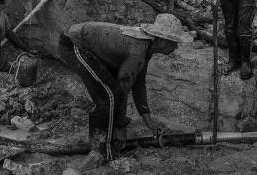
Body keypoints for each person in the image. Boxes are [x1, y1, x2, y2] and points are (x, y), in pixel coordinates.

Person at [58, 14, 192, 161]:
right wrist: (120, 125)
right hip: (75, 44)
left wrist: (149, 122)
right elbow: (123, 87)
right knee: (109, 97)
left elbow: (138, 83)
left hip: (88, 44)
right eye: (174, 42)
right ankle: (101, 150)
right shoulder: (138, 51)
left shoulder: (147, 47)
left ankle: (103, 143)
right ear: (162, 40)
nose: (177, 46)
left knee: (112, 94)